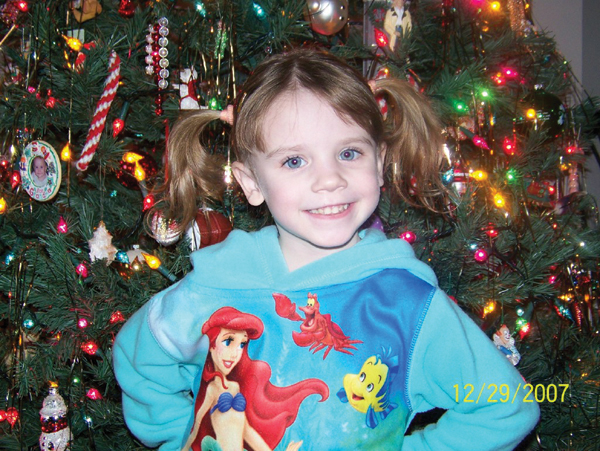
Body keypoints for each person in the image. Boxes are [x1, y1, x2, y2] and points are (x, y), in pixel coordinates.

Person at [113, 49, 539, 451]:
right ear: (251, 183)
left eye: (349, 152)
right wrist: (181, 436)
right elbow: (139, 361)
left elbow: (505, 406)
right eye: (294, 161)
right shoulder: (215, 285)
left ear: (378, 163)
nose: (330, 179)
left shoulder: (406, 304)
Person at [181, 307, 327, 451]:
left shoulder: (235, 387)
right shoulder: (213, 389)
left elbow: (247, 431)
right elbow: (197, 425)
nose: (235, 353)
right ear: (212, 345)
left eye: (242, 344)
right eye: (228, 341)